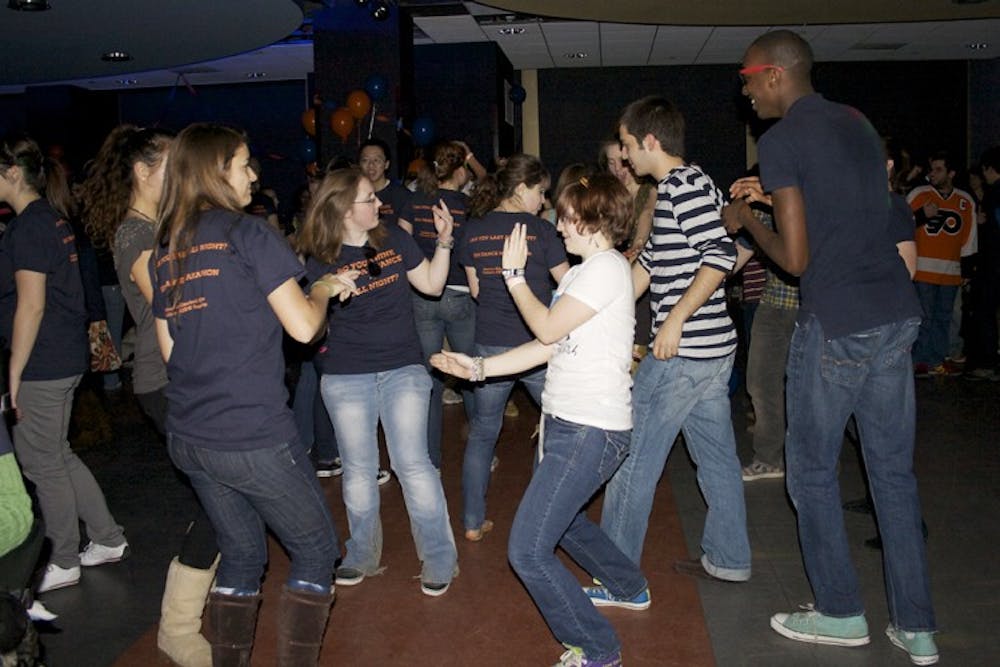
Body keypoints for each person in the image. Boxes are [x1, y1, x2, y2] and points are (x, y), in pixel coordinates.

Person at [728, 29, 937, 665]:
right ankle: (918, 629)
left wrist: (746, 220)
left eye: (747, 79)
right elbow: (849, 211)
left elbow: (794, 258)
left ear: (774, 75)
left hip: (838, 320)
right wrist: (775, 198)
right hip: (896, 313)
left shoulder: (781, 139)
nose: (744, 91)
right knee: (892, 478)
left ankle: (842, 614)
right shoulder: (856, 122)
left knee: (813, 473)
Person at [151, 123, 354, 665]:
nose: (254, 174)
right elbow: (304, 329)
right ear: (217, 171)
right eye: (244, 164)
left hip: (191, 435)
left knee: (242, 552)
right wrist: (323, 288)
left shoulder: (166, 250)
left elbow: (171, 352)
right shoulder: (249, 234)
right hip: (252, 433)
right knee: (316, 550)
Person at [432, 173, 648, 667]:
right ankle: (628, 586)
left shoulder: (605, 268)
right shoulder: (580, 273)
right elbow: (549, 346)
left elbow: (546, 325)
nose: (556, 223)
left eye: (566, 217)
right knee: (565, 524)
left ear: (591, 222)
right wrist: (479, 367)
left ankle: (598, 648)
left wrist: (512, 277)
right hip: (571, 425)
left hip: (590, 430)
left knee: (527, 550)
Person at [79, 125, 223, 667]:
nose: (182, 174)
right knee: (219, 496)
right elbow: (172, 302)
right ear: (142, 172)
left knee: (222, 495)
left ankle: (201, 607)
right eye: (172, 165)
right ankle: (177, 627)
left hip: (188, 377)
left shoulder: (159, 227)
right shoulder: (135, 235)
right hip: (165, 382)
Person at [598, 97, 751, 584]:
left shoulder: (680, 187)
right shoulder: (690, 181)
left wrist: (675, 320)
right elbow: (653, 267)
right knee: (716, 459)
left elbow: (719, 253)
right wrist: (604, 303)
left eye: (626, 146)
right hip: (712, 351)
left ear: (649, 142)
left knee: (632, 458)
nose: (623, 157)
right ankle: (728, 558)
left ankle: (616, 577)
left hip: (683, 353)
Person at [297, 167, 459, 596]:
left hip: (403, 367)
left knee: (412, 463)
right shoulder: (321, 258)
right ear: (345, 209)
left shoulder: (394, 239)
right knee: (358, 470)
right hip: (347, 376)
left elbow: (431, 284)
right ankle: (361, 553)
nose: (378, 205)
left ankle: (440, 557)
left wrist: (444, 240)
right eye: (369, 199)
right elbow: (308, 327)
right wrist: (327, 292)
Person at [0, 135, 128, 594]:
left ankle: (64, 558)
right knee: (57, 455)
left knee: (41, 463)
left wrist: (13, 373)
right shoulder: (49, 220)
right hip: (61, 356)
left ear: (13, 173)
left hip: (43, 362)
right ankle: (108, 538)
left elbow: (31, 306)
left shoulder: (31, 226)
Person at [457, 153, 569, 542]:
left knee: (483, 434)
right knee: (555, 426)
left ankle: (472, 522)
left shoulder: (473, 230)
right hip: (537, 344)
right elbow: (568, 284)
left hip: (490, 345)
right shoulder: (540, 230)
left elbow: (475, 290)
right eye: (541, 193)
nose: (544, 201)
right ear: (521, 190)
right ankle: (541, 521)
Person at [398, 140, 476, 469]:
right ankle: (481, 453)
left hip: (423, 294)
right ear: (459, 171)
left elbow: (400, 241)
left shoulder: (415, 200)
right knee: (473, 373)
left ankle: (431, 457)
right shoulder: (469, 205)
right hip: (459, 292)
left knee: (428, 377)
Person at [907, 151, 978, 377]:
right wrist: (921, 216)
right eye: (932, 169)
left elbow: (969, 237)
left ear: (951, 173)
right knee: (924, 318)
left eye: (939, 169)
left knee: (943, 318)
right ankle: (919, 361)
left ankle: (936, 360)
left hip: (950, 271)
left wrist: (966, 269)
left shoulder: (965, 200)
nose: (933, 174)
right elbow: (901, 223)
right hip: (923, 270)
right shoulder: (919, 194)